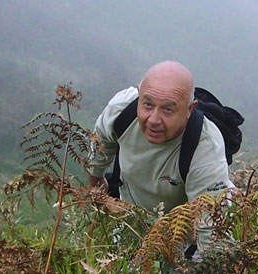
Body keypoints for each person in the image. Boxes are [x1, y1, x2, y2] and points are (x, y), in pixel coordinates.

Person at [87, 61, 234, 259]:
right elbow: (100, 143)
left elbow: (211, 236)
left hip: (182, 239)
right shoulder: (122, 110)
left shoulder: (205, 149)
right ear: (139, 95)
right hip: (131, 218)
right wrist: (96, 179)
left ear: (190, 109)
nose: (154, 120)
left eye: (168, 110)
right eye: (147, 105)